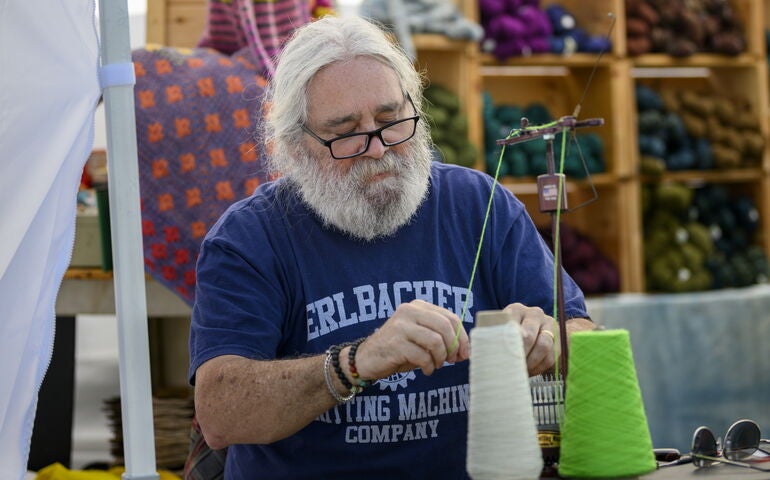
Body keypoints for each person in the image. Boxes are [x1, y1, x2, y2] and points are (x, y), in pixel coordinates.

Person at [189, 14, 594, 479]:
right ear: (295, 146)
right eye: (346, 132)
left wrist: (550, 339)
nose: (377, 149)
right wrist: (354, 363)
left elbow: (581, 332)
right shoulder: (249, 238)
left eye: (391, 120)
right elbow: (220, 412)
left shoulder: (479, 205)